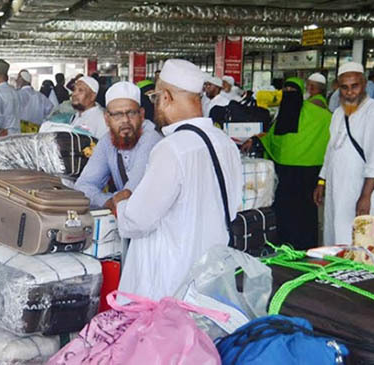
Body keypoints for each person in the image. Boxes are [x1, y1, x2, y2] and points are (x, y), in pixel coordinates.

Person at [115, 59, 242, 300]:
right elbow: (234, 208)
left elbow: (138, 220)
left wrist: (120, 206)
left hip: (170, 283)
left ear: (166, 97)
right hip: (210, 279)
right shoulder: (225, 143)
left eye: (156, 99)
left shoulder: (172, 148)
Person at [243, 77, 331, 249]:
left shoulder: (319, 115)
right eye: (286, 91)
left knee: (304, 213)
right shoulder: (282, 115)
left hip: (308, 173)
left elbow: (333, 131)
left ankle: (305, 247)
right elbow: (271, 137)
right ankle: (284, 245)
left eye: (293, 92)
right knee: (284, 212)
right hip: (284, 172)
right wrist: (255, 140)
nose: (289, 95)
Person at [314, 62, 374, 245]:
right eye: (344, 87)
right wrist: (322, 181)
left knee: (362, 243)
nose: (350, 92)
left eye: (354, 86)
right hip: (336, 189)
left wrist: (365, 196)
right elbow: (330, 151)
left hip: (360, 190)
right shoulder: (338, 113)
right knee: (335, 236)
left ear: (363, 84)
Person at [74, 81, 162, 209]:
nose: (125, 120)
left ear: (141, 115)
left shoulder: (152, 139)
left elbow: (133, 193)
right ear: (106, 119)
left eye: (131, 113)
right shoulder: (106, 142)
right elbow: (84, 186)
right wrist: (109, 201)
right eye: (117, 114)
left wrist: (115, 201)